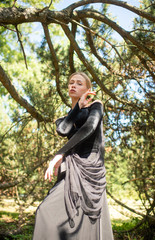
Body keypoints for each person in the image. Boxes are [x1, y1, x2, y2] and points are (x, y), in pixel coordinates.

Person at [32, 72, 114, 240]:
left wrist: (59, 154)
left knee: (84, 220)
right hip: (71, 168)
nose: (73, 85)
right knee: (45, 212)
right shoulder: (65, 118)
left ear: (88, 89)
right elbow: (62, 130)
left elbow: (89, 128)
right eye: (71, 83)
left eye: (79, 83)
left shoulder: (96, 106)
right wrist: (76, 108)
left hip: (91, 168)